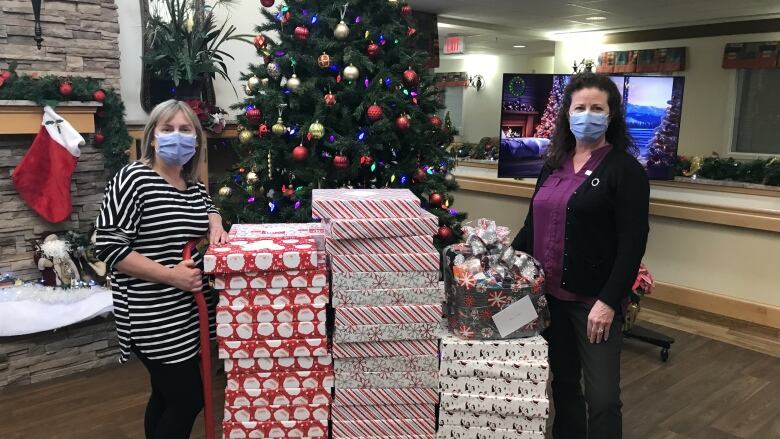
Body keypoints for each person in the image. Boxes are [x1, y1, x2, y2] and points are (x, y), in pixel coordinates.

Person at [512, 73, 650, 439]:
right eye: (579, 108)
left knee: (603, 397)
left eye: (596, 108)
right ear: (567, 114)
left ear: (611, 115)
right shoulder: (552, 164)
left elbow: (633, 242)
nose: (587, 115)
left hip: (593, 304)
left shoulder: (625, 170)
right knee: (564, 385)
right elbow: (531, 228)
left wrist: (608, 301)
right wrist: (501, 265)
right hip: (547, 299)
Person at [95, 99, 229, 439]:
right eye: (167, 129)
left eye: (186, 130)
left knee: (165, 395)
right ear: (152, 137)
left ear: (196, 140)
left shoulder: (191, 184)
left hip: (188, 312)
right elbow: (108, 246)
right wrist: (171, 275)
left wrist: (214, 221)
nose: (177, 137)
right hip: (152, 314)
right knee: (188, 400)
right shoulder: (134, 178)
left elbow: (206, 206)